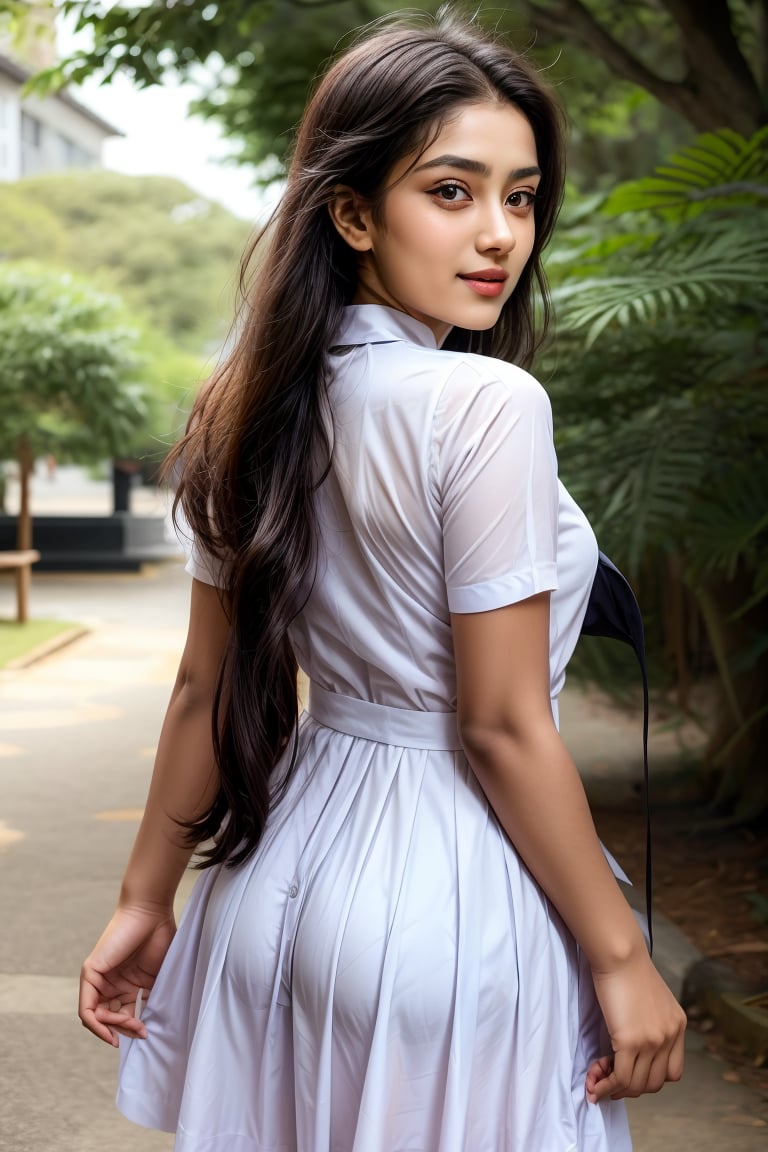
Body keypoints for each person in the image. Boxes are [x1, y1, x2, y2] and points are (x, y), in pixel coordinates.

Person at [79, 10, 686, 1150]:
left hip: (275, 894)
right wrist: (621, 954)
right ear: (352, 212)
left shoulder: (244, 404)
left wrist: (145, 900)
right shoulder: (488, 405)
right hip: (449, 909)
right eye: (451, 192)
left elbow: (203, 688)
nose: (499, 233)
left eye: (521, 196)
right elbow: (502, 724)